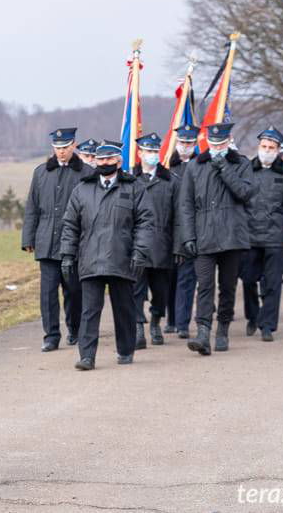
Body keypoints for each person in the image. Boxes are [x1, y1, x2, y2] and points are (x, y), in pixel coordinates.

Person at [60, 140, 153, 369]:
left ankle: (125, 350)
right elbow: (71, 225)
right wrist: (67, 255)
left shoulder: (133, 188)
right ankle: (87, 356)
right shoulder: (82, 189)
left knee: (124, 309)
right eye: (101, 159)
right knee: (89, 311)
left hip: (123, 258)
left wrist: (139, 253)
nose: (104, 163)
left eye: (109, 159)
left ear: (119, 161)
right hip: (90, 258)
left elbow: (145, 223)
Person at [179, 122, 254, 355]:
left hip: (232, 234)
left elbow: (245, 193)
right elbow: (186, 204)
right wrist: (188, 236)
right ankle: (203, 332)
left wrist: (225, 169)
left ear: (229, 140)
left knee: (228, 286)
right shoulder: (194, 166)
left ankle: (223, 328)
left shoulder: (241, 164)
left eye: (221, 143)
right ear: (207, 142)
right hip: (204, 235)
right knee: (204, 285)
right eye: (213, 143)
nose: (217, 147)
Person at [22, 127, 91, 352]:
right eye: (57, 148)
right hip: (46, 241)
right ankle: (51, 335)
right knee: (48, 293)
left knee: (74, 290)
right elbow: (32, 206)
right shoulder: (41, 172)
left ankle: (75, 329)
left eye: (65, 147)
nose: (61, 152)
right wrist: (28, 238)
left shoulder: (87, 173)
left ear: (74, 146)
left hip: (75, 244)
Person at [241, 127, 283, 342]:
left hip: (275, 237)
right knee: (249, 280)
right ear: (258, 147)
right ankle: (253, 316)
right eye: (263, 147)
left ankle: (267, 325)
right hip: (249, 236)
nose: (267, 150)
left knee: (272, 283)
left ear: (279, 150)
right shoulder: (246, 170)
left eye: (271, 148)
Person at [132, 133, 179, 348]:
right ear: (139, 153)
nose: (151, 155)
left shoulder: (170, 181)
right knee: (135, 291)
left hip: (163, 245)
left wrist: (179, 245)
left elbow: (179, 217)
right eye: (148, 151)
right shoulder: (129, 180)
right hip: (137, 247)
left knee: (160, 293)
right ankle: (139, 327)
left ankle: (155, 322)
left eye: (154, 151)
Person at [169, 124, 200, 339]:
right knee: (168, 280)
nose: (185, 146)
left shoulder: (199, 168)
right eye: (182, 142)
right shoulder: (168, 169)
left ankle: (182, 323)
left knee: (187, 280)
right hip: (169, 233)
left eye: (189, 143)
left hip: (191, 231)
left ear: (196, 144)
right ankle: (171, 319)